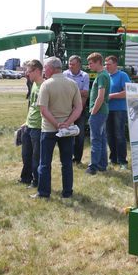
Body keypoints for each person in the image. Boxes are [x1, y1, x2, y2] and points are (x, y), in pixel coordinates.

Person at [34, 57, 82, 200]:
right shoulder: (72, 84)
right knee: (67, 163)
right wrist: (67, 123)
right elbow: (79, 107)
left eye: (45, 68)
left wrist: (56, 124)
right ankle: (67, 192)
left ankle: (43, 193)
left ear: (52, 68)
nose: (44, 71)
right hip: (67, 130)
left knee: (45, 163)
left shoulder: (46, 84)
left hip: (49, 129)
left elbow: (43, 110)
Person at [18, 60, 44, 188]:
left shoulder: (44, 87)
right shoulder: (33, 84)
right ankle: (25, 178)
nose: (27, 74)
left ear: (37, 71)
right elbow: (32, 106)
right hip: (29, 125)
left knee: (36, 157)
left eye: (29, 71)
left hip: (38, 127)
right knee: (26, 155)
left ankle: (37, 181)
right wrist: (26, 122)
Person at [85, 52, 110, 175]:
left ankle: (93, 167)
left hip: (99, 112)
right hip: (102, 111)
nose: (89, 66)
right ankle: (102, 165)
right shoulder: (103, 75)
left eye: (91, 63)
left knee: (95, 139)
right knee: (101, 138)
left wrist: (93, 113)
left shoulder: (101, 76)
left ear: (98, 62)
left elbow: (100, 97)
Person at [105, 55, 131, 170]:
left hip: (119, 110)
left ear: (115, 64)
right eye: (106, 64)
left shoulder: (122, 75)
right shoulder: (106, 76)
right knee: (109, 135)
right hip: (107, 109)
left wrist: (111, 96)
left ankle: (122, 161)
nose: (107, 66)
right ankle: (113, 158)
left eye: (109, 64)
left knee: (119, 135)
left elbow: (127, 92)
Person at [63, 55, 90, 165]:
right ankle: (67, 157)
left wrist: (78, 110)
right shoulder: (64, 74)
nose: (70, 66)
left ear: (79, 65)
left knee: (79, 135)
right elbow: (63, 91)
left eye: (73, 64)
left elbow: (86, 94)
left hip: (80, 109)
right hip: (66, 109)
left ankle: (77, 159)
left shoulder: (85, 76)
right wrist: (78, 91)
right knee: (66, 134)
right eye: (69, 63)